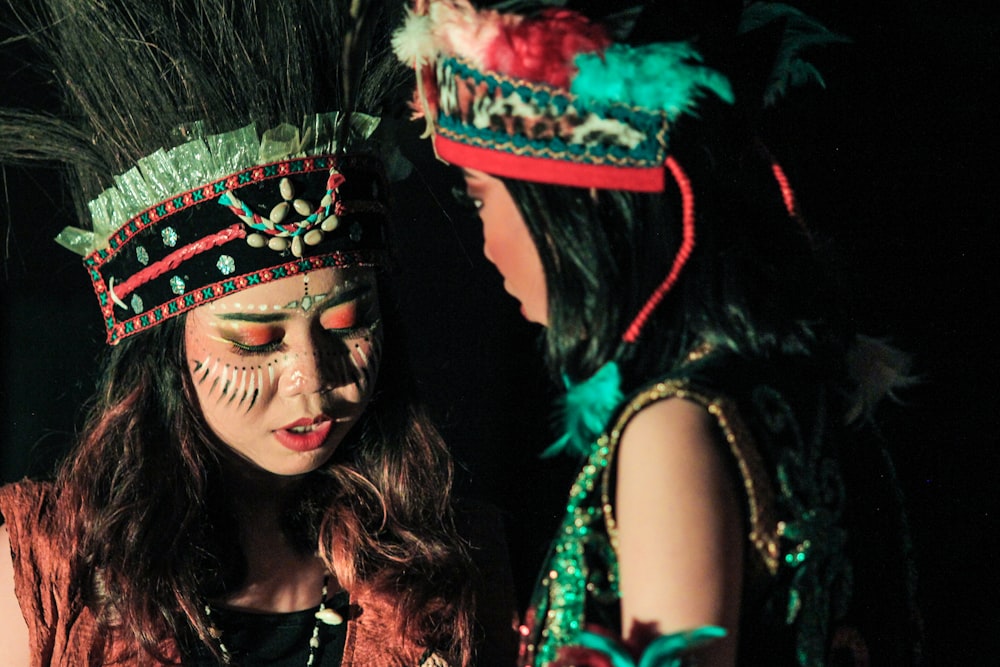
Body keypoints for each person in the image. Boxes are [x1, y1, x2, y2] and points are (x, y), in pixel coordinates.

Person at [394, 1, 923, 665]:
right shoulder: (803, 388)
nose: (487, 247)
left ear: (571, 209)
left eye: (480, 196)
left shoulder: (672, 430)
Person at [0, 1, 510, 664]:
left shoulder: (453, 558)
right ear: (167, 353)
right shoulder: (41, 562)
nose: (312, 378)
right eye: (257, 340)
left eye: (347, 322)